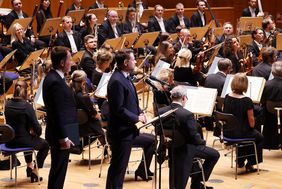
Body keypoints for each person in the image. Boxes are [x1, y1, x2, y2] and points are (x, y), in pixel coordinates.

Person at [106, 49, 155, 189]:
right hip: (120, 133)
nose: (135, 62)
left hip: (128, 130)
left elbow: (130, 100)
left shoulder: (124, 76)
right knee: (118, 169)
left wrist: (140, 112)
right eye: (133, 60)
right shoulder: (116, 80)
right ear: (126, 62)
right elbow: (119, 109)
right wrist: (136, 117)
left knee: (118, 168)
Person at [159, 86, 219, 189]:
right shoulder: (187, 114)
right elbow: (193, 136)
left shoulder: (161, 111)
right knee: (215, 154)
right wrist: (202, 142)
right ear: (183, 98)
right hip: (187, 148)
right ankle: (197, 182)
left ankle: (196, 183)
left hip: (171, 146)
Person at [43, 46, 80, 189]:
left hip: (61, 133)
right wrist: (64, 137)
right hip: (60, 135)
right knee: (58, 173)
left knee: (58, 172)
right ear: (63, 63)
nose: (72, 62)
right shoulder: (55, 81)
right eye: (70, 59)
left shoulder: (55, 77)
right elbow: (56, 113)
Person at [5, 80, 49, 183]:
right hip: (22, 141)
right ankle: (35, 171)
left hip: (9, 141)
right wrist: (33, 130)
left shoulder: (7, 104)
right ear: (25, 92)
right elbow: (38, 130)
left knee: (28, 137)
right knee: (45, 145)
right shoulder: (26, 106)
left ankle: (29, 166)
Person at [223, 73, 264, 172]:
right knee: (259, 137)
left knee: (247, 134)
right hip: (240, 133)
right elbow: (251, 124)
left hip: (228, 133)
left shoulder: (227, 96)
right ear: (245, 85)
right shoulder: (247, 101)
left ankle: (240, 160)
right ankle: (250, 164)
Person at [70, 70, 106, 145]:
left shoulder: (70, 93)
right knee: (108, 121)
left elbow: (81, 99)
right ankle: (106, 148)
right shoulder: (84, 97)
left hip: (76, 124)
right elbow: (95, 115)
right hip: (88, 126)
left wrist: (88, 96)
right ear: (83, 82)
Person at [261, 61, 282, 149]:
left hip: (269, 115)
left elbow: (262, 101)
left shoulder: (267, 84)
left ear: (273, 73)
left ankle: (270, 143)